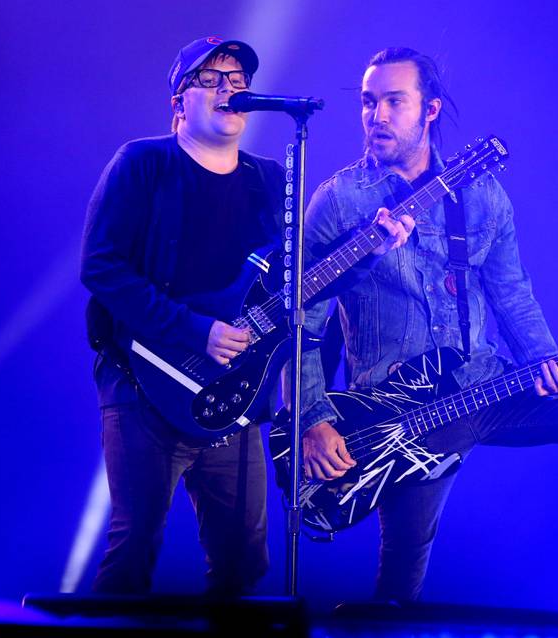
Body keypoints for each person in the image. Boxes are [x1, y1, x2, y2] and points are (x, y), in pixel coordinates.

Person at [294, 48, 558, 623]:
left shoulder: (481, 195)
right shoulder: (339, 201)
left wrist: (544, 360)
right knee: (398, 598)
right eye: (367, 101)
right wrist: (312, 419)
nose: (375, 115)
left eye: (393, 101)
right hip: (399, 417)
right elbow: (303, 321)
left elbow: (512, 293)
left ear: (429, 110)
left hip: (485, 386)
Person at [79, 35, 414, 595]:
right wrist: (196, 330)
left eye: (237, 80)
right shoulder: (143, 164)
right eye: (210, 80)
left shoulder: (270, 181)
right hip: (143, 386)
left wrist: (368, 254)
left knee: (244, 559)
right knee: (135, 546)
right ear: (178, 102)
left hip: (232, 395)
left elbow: (299, 289)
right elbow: (102, 268)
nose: (228, 90)